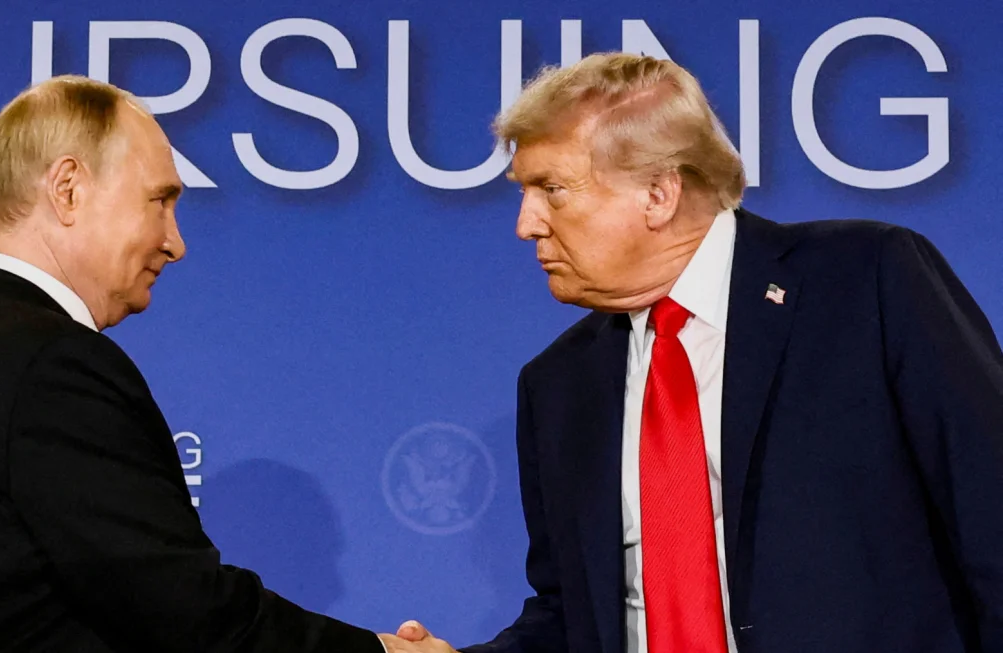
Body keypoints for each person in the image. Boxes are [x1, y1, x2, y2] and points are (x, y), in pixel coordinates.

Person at [395, 52, 1003, 653]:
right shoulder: (558, 385)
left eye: (552, 189)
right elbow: (574, 615)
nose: (527, 224)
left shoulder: (865, 282)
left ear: (658, 194)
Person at [0, 75, 430, 653]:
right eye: (159, 200)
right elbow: (180, 611)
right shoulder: (52, 366)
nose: (175, 242)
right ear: (68, 189)